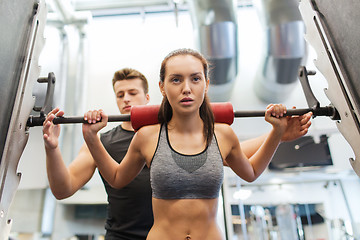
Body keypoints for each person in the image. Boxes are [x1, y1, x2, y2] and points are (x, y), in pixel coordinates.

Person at [81, 48, 312, 240]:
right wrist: (92, 138)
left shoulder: (223, 134)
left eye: (195, 78)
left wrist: (277, 131)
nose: (186, 89)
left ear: (206, 84)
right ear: (162, 87)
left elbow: (251, 172)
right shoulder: (147, 137)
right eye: (176, 80)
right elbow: (117, 178)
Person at [42, 68, 154, 240]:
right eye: (120, 94)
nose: (126, 98)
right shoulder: (101, 142)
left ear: (147, 97)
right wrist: (52, 148)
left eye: (132, 92)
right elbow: (63, 189)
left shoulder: (165, 137)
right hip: (121, 236)